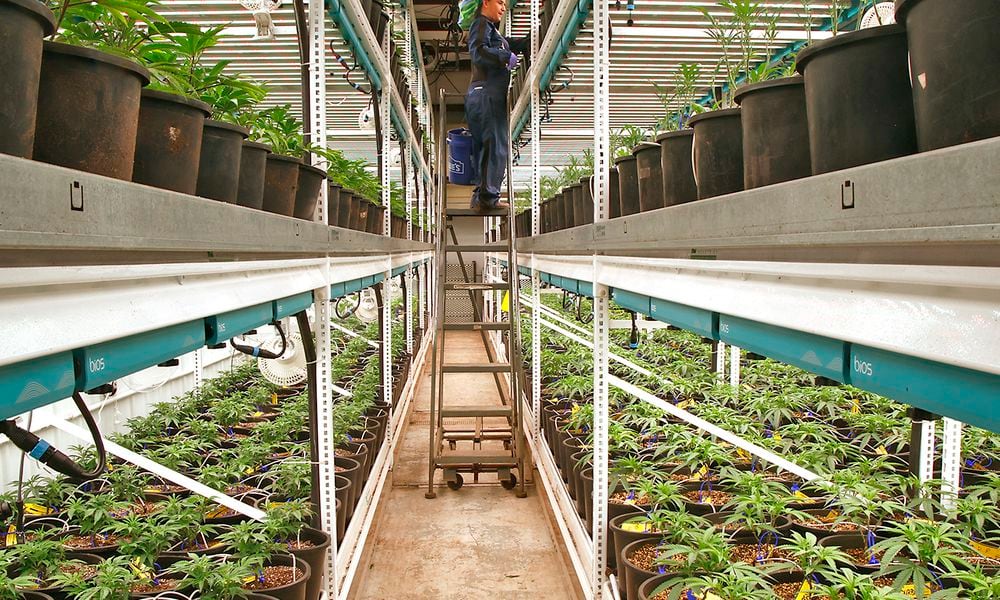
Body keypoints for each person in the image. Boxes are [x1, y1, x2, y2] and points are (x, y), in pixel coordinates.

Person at [465, 0, 529, 211]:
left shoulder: (493, 33)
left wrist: (526, 42)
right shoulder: (481, 24)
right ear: (485, 3)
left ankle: (482, 197)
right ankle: (487, 199)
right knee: (494, 145)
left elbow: (508, 43)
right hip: (486, 94)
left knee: (488, 147)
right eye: (499, 2)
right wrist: (504, 57)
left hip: (484, 95)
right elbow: (479, 51)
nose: (503, 7)